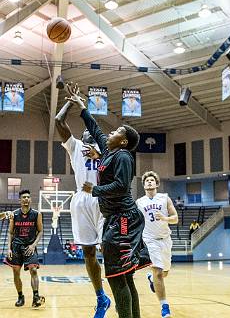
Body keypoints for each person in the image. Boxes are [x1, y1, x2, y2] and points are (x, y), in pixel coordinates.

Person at [66, 83, 150, 318]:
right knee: (124, 276)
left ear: (123, 141)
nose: (110, 133)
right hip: (116, 218)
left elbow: (122, 186)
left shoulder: (123, 155)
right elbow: (95, 129)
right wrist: (82, 106)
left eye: (116, 132)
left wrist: (95, 190)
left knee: (115, 277)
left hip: (123, 219)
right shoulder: (110, 151)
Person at [55, 101, 110, 318]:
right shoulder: (75, 146)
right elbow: (58, 121)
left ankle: (118, 285)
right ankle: (101, 298)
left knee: (107, 248)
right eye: (84, 129)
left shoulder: (107, 151)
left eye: (91, 129)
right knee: (88, 252)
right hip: (81, 199)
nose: (87, 131)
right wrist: (71, 101)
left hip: (103, 198)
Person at [136, 171, 178, 318]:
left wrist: (166, 218)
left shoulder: (165, 198)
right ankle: (164, 307)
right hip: (149, 240)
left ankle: (151, 279)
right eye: (147, 180)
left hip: (165, 239)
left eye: (152, 180)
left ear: (157, 183)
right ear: (144, 185)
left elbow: (175, 218)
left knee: (164, 273)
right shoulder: (139, 202)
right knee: (158, 272)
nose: (149, 182)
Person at [4, 189, 45, 308]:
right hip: (16, 247)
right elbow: (10, 233)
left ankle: (36, 297)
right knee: (16, 273)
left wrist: (33, 245)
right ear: (20, 200)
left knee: (34, 270)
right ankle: (20, 296)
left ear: (30, 199)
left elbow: (41, 231)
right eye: (24, 197)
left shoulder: (37, 214)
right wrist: (9, 249)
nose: (26, 199)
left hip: (29, 247)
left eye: (28, 197)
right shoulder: (14, 214)